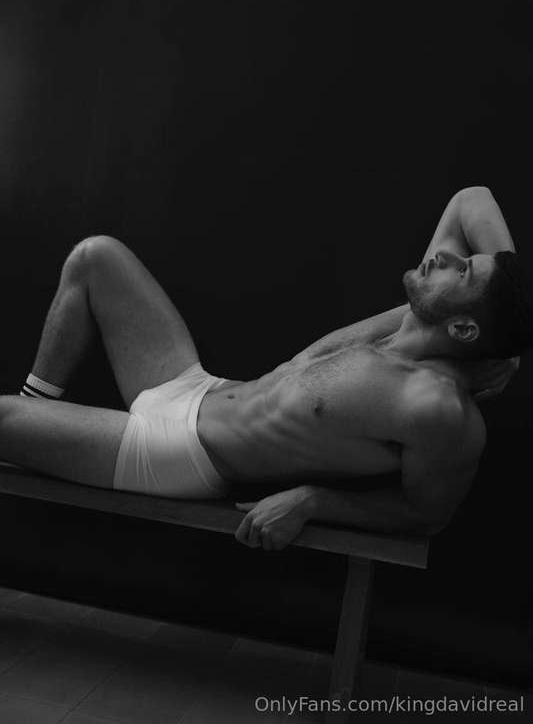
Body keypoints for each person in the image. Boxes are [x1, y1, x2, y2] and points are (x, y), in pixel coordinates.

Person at [8, 186, 532, 552]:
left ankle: (22, 430)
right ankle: (37, 413)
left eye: (464, 270)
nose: (446, 258)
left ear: (464, 329)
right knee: (97, 256)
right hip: (196, 387)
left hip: (179, 454)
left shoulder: (437, 406)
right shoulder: (418, 315)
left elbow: (425, 514)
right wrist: (507, 318)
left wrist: (313, 501)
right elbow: (472, 199)